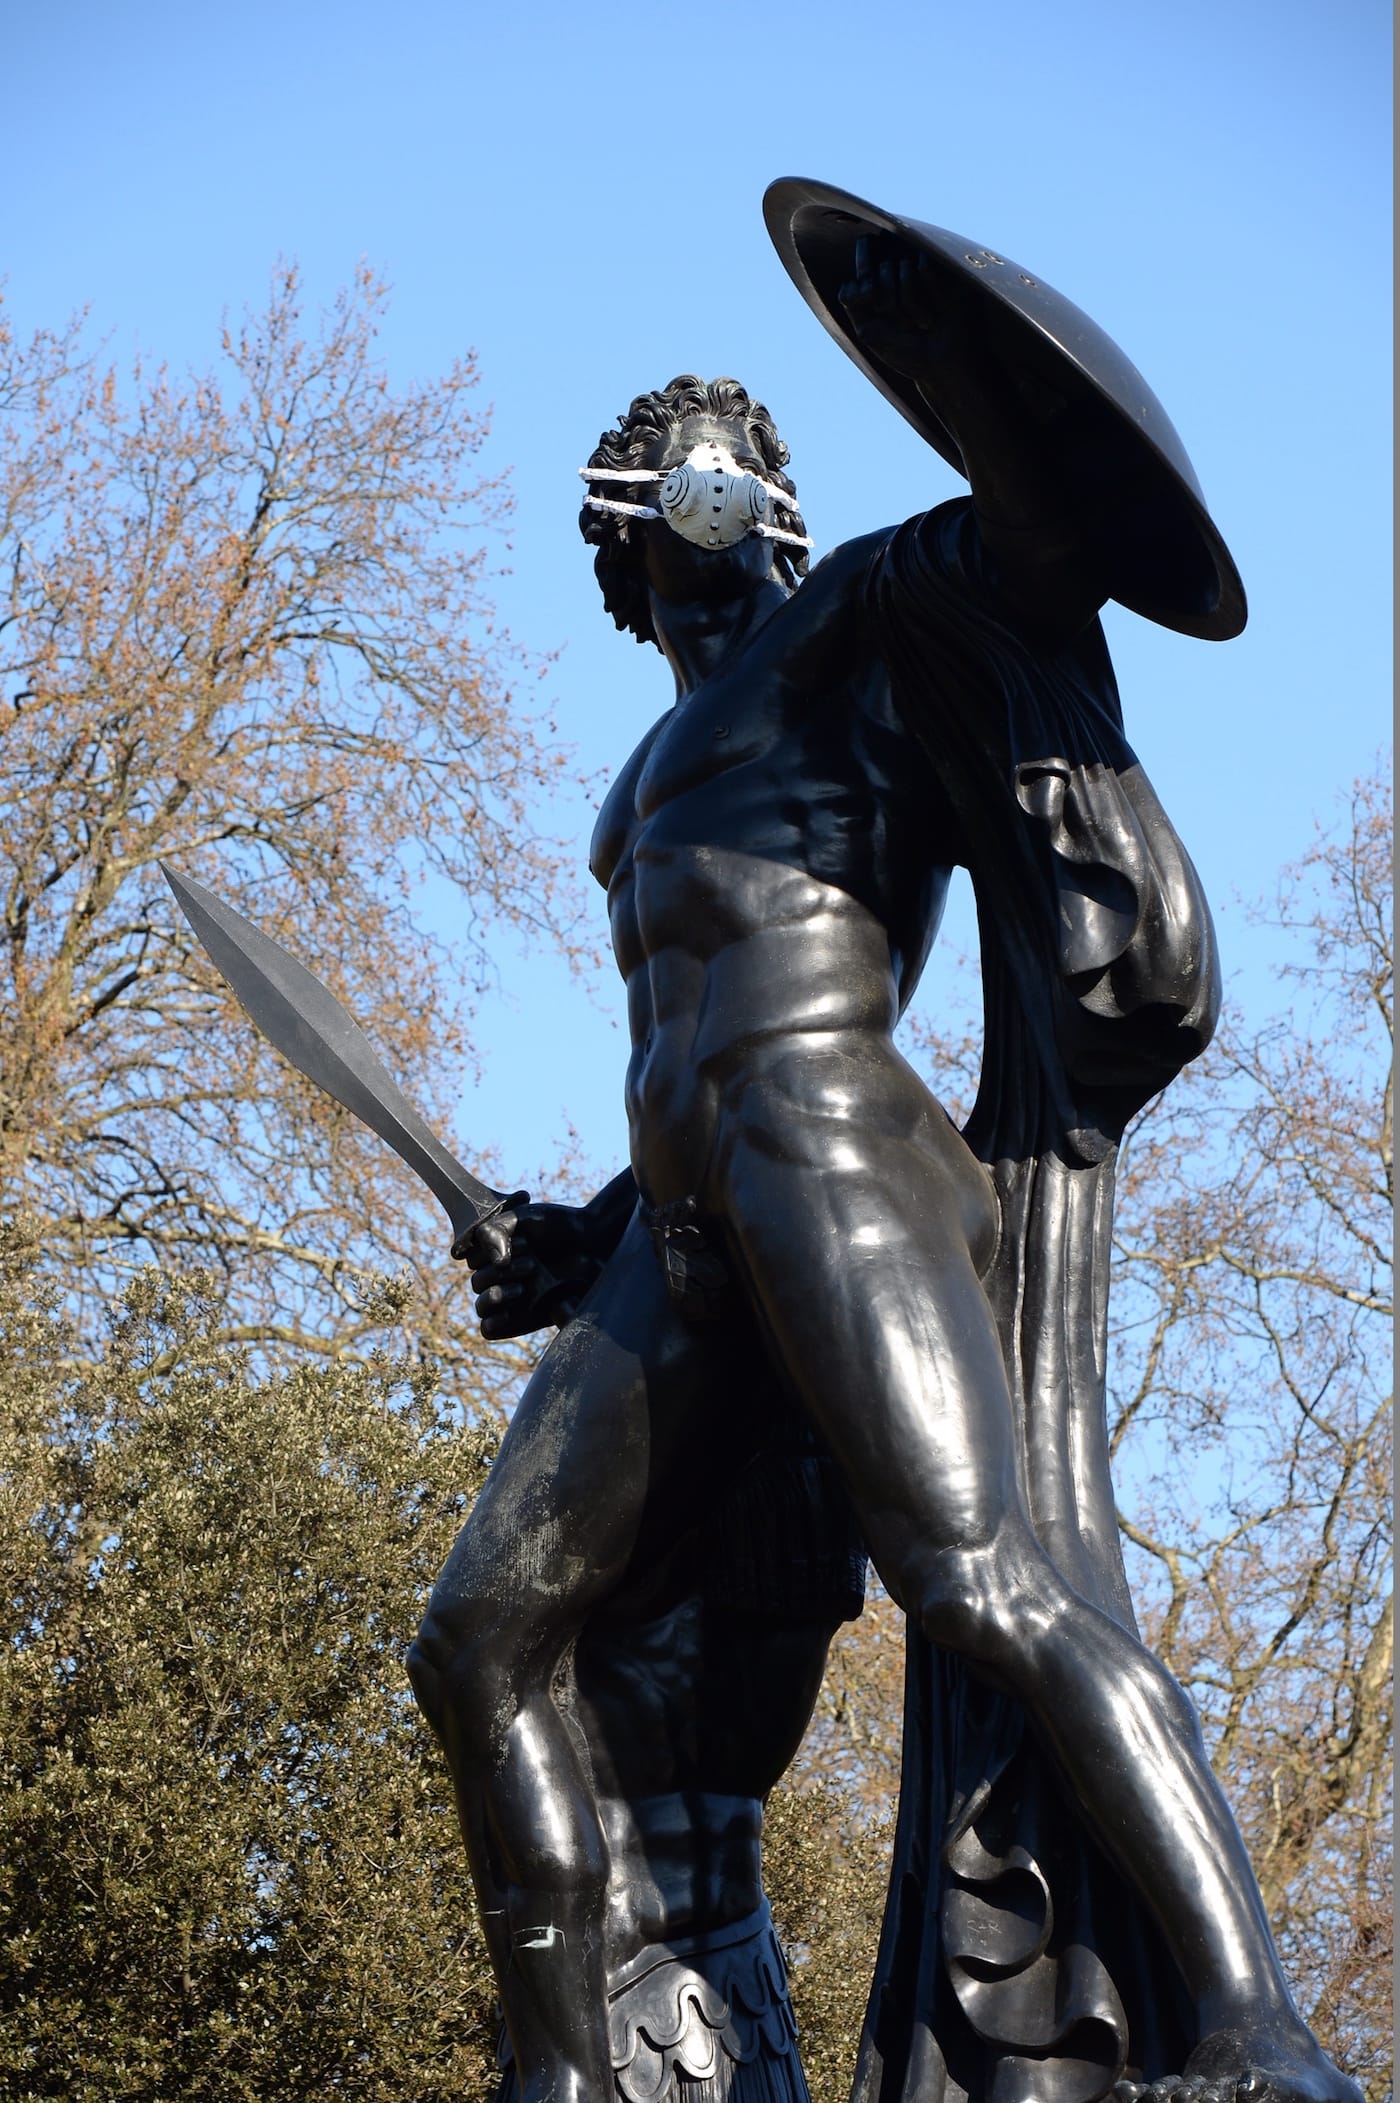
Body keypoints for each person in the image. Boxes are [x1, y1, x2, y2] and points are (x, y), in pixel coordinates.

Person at [408, 202, 1360, 2103]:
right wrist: (577, 1230)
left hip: (837, 1157)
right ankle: (562, 2074)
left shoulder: (847, 620)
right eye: (683, 491)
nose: (714, 514)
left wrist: (936, 348)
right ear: (624, 545)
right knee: (478, 1641)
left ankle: (1263, 2025)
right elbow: (673, 1041)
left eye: (734, 482)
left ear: (763, 510)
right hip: (680, 1226)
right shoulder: (636, 783)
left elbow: (1046, 541)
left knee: (986, 1581)